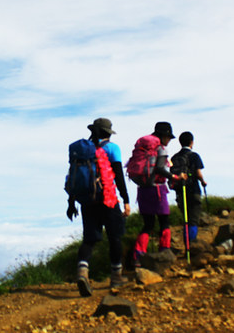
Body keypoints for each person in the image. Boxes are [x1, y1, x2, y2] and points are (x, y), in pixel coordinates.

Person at [66, 118, 131, 296]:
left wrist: (71, 203)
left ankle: (82, 272)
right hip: (108, 199)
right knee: (115, 237)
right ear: (108, 132)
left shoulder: (83, 151)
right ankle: (116, 278)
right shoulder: (111, 148)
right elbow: (118, 176)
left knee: (89, 240)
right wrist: (126, 199)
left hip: (87, 201)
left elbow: (72, 178)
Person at [132, 121, 185, 266]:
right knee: (164, 221)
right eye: (169, 137)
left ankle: (138, 254)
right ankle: (165, 250)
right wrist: (175, 177)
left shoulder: (144, 148)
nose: (169, 141)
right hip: (157, 189)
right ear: (164, 135)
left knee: (148, 224)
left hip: (142, 189)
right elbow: (160, 169)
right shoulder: (160, 149)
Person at [171, 131, 207, 245]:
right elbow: (198, 173)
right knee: (193, 219)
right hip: (193, 190)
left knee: (186, 219)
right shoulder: (194, 156)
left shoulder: (174, 157)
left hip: (180, 192)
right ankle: (191, 244)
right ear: (192, 142)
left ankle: (187, 244)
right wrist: (203, 182)